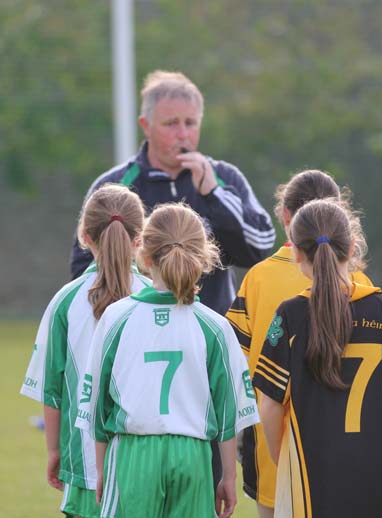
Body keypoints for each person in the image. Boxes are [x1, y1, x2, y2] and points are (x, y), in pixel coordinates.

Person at [75, 203, 260, 518]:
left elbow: (96, 404)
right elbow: (228, 411)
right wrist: (228, 476)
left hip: (133, 453)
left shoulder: (117, 317)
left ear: (145, 257)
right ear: (203, 260)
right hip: (193, 456)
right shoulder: (214, 326)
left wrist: (102, 467)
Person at [253, 198, 382, 518]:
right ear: (352, 249)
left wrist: (283, 459)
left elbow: (269, 403)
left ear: (295, 252)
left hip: (313, 472)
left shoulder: (291, 315)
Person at [226, 169, 372, 517]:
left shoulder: (257, 278)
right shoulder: (361, 284)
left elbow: (233, 369)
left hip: (274, 448)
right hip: (345, 448)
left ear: (286, 217)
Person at [70, 69, 275, 317]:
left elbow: (259, 250)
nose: (182, 134)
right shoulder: (115, 185)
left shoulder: (224, 178)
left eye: (190, 123)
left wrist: (214, 195)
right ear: (146, 125)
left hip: (210, 333)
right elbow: (84, 268)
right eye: (171, 123)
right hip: (136, 335)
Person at [20, 184, 152, 518]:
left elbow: (52, 391)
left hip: (83, 469)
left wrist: (53, 451)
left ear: (84, 236)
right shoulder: (157, 297)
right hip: (149, 463)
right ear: (140, 239)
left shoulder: (65, 301)